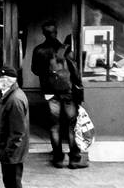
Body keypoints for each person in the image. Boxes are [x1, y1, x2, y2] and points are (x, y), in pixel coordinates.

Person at [29, 20, 84, 167]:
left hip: (49, 93)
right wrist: (79, 87)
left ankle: (58, 158)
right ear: (56, 32)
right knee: (72, 125)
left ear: (43, 33)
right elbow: (75, 72)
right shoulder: (65, 49)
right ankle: (74, 158)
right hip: (67, 92)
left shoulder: (38, 50)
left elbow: (34, 70)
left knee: (54, 125)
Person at [0, 65, 30, 188]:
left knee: (12, 182)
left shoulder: (14, 100)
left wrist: (9, 152)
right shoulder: (7, 95)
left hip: (12, 152)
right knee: (9, 181)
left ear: (8, 81)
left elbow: (17, 132)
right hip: (9, 151)